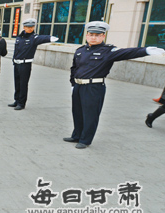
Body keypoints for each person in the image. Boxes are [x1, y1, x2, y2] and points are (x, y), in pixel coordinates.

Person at [64, 21, 165, 149]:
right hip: (78, 86)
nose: (93, 37)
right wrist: (73, 83)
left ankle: (85, 140)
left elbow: (127, 52)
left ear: (103, 36)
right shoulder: (80, 50)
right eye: (91, 34)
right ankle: (76, 135)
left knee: (90, 114)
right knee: (77, 112)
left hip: (94, 88)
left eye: (97, 35)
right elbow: (74, 68)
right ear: (87, 35)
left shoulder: (108, 51)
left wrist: (146, 50)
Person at [8, 18, 58, 110]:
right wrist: (13, 61)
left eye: (31, 27)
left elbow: (42, 38)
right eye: (27, 27)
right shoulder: (19, 37)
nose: (30, 29)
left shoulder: (34, 38)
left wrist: (50, 38)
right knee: (17, 83)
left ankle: (21, 103)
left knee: (23, 84)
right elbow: (16, 51)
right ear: (24, 27)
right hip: (17, 63)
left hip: (25, 64)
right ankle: (17, 100)